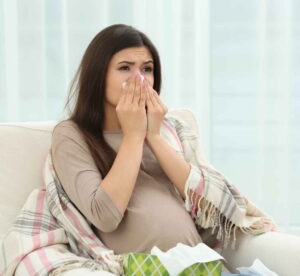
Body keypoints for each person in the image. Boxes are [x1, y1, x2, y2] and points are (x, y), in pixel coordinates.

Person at [51, 24, 300, 275]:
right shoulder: (72, 135)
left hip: (204, 265)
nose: (139, 79)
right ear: (98, 75)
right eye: (125, 68)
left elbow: (207, 206)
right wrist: (134, 136)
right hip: (144, 269)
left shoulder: (170, 129)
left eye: (147, 69)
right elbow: (105, 216)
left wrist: (153, 136)